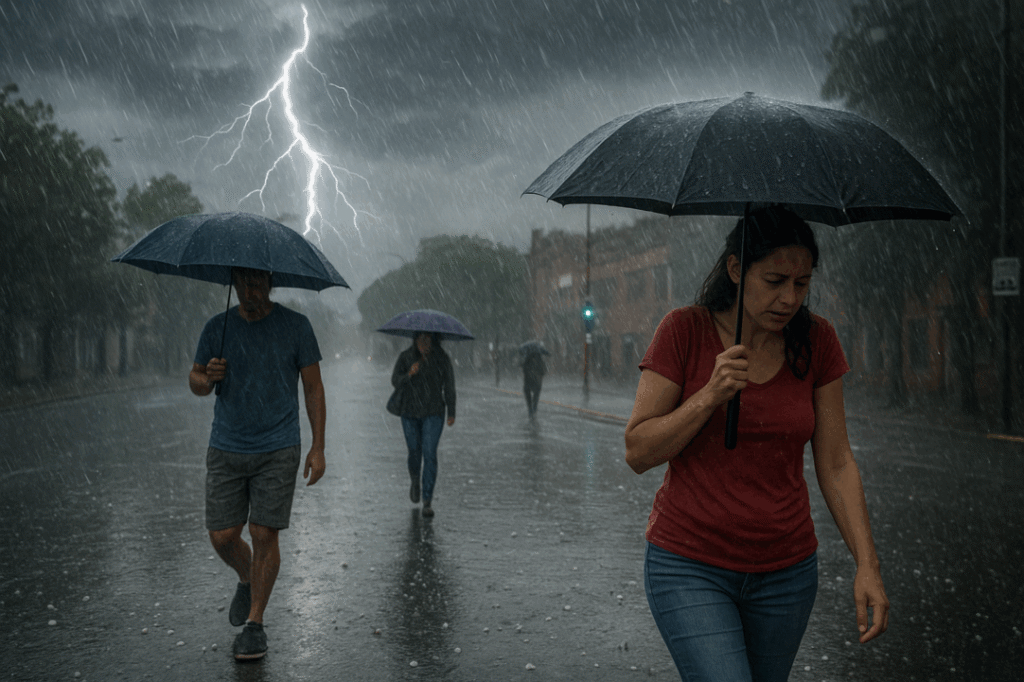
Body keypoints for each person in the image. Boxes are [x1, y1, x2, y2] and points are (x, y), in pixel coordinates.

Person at [624, 207, 888, 682]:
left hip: (787, 574)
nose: (789, 298)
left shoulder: (818, 341)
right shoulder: (684, 330)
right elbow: (638, 450)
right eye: (774, 280)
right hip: (690, 564)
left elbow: (836, 463)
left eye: (802, 283)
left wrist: (866, 564)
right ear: (735, 269)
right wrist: (709, 396)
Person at [189, 267, 326, 662]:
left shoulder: (296, 326)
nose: (251, 290)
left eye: (258, 282)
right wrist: (207, 377)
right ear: (233, 285)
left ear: (270, 283)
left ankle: (255, 624)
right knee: (223, 536)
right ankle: (247, 577)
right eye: (243, 282)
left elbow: (313, 387)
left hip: (278, 446)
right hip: (226, 445)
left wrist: (318, 447)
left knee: (264, 532)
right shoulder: (218, 328)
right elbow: (195, 380)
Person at [391, 332, 456, 517]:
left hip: (434, 413)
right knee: (414, 451)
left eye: (428, 339)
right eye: (421, 339)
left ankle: (427, 500)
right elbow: (395, 380)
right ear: (415, 340)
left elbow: (450, 385)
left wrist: (451, 411)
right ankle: (415, 480)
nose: (424, 343)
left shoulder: (442, 358)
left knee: (429, 453)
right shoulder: (406, 357)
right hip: (409, 413)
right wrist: (409, 374)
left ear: (434, 341)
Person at [521, 349, 546, 417]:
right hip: (537, 381)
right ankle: (534, 408)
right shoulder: (540, 361)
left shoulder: (527, 360)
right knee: (536, 396)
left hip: (528, 381)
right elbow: (543, 371)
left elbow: (524, 370)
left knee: (528, 395)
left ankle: (530, 409)